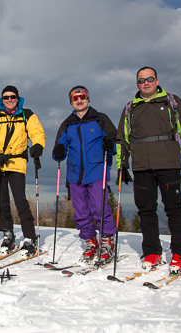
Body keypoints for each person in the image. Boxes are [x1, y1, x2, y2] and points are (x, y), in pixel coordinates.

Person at [116, 66, 181, 273]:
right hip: (142, 166)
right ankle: (152, 252)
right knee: (146, 210)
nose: (146, 83)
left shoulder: (172, 102)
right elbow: (122, 139)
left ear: (157, 80)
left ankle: (179, 254)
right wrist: (122, 164)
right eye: (142, 80)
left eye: (150, 79)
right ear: (137, 84)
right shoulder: (130, 108)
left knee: (174, 209)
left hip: (168, 163)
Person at [52, 86, 118, 265]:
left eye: (82, 97)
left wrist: (110, 147)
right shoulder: (67, 124)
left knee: (99, 207)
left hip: (97, 170)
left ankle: (107, 242)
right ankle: (91, 243)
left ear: (88, 99)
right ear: (71, 102)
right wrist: (58, 151)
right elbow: (59, 148)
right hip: (75, 174)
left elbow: (116, 142)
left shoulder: (100, 119)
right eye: (75, 98)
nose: (79, 100)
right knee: (81, 212)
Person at [0, 85, 46, 256]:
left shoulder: (27, 115)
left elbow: (37, 132)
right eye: (6, 97)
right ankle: (8, 234)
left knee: (20, 200)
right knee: (2, 201)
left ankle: (30, 237)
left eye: (12, 97)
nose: (9, 100)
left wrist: (38, 145)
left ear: (18, 98)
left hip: (16, 162)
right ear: (2, 100)